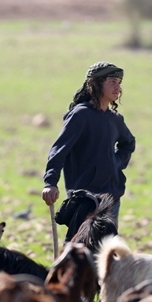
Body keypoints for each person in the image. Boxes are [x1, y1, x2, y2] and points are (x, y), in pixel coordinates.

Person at [42, 61, 135, 228]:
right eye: (112, 82)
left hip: (111, 197)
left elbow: (128, 143)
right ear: (96, 83)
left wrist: (115, 163)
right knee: (81, 249)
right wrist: (50, 182)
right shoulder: (80, 114)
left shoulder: (115, 119)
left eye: (119, 83)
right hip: (84, 197)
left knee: (105, 249)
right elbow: (59, 151)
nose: (118, 88)